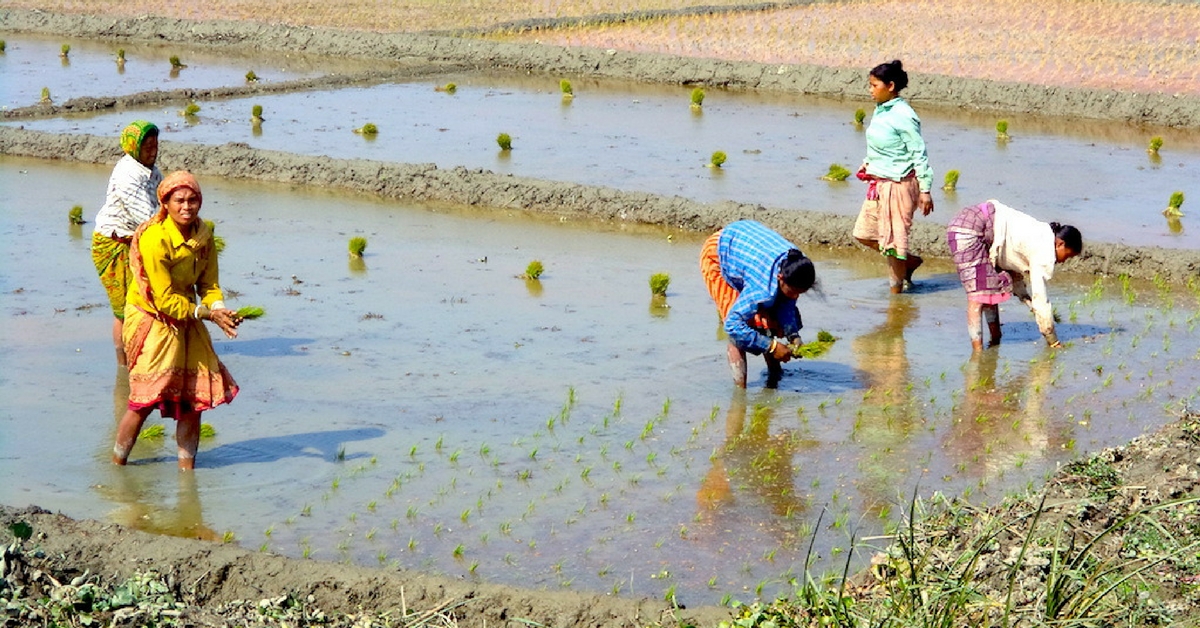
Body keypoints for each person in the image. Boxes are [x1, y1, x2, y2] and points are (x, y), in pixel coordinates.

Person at [112, 171, 241, 470]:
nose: (187, 206)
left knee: (194, 402)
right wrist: (206, 314)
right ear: (165, 203)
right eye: (179, 200)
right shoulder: (155, 238)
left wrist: (219, 308)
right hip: (153, 316)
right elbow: (164, 298)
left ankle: (187, 473)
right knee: (144, 400)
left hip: (188, 313)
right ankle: (118, 465)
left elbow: (208, 284)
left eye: (193, 199)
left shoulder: (203, 234)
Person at [946, 200, 1082, 351]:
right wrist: (1053, 340)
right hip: (968, 230)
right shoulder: (1045, 251)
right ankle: (978, 354)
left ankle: (995, 339)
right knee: (977, 297)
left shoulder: (1042, 233)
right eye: (1067, 256)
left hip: (973, 221)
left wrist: (1028, 302)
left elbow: (1015, 277)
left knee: (989, 290)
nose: (1064, 261)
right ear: (1060, 244)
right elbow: (1041, 299)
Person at [699, 220, 816, 388]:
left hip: (747, 248)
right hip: (719, 254)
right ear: (780, 278)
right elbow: (733, 325)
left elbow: (785, 304)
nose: (795, 297)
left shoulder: (797, 264)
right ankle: (740, 392)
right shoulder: (762, 287)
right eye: (793, 292)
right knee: (739, 327)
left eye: (800, 293)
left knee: (770, 316)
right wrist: (772, 346)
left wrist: (793, 336)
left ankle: (775, 375)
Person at [852, 60, 934, 294]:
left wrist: (925, 190)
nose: (870, 89)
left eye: (874, 85)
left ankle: (895, 298)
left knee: (894, 246)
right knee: (863, 233)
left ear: (890, 86)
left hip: (899, 185)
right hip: (879, 183)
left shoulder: (903, 115)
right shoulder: (881, 109)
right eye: (869, 84)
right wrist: (870, 163)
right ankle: (909, 262)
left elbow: (919, 153)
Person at [92, 120, 164, 367]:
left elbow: (165, 202)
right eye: (147, 146)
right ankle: (124, 365)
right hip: (114, 245)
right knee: (126, 307)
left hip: (136, 241)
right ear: (134, 147)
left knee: (147, 300)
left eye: (155, 145)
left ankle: (143, 354)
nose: (152, 151)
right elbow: (148, 218)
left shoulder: (152, 171)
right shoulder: (127, 175)